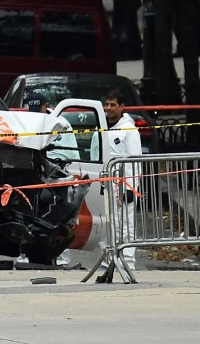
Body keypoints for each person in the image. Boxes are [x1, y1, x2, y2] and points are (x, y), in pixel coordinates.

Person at [90, 89, 142, 270]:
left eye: (113, 105)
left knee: (126, 224)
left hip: (123, 184)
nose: (109, 108)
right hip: (106, 183)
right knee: (108, 223)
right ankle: (110, 260)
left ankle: (128, 262)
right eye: (107, 104)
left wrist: (131, 187)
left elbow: (134, 161)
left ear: (122, 107)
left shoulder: (129, 129)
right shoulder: (103, 127)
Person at [25, 92, 78, 267]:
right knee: (31, 214)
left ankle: (63, 258)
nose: (35, 112)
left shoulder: (60, 123)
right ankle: (27, 253)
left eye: (38, 109)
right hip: (35, 177)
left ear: (45, 106)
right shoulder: (28, 121)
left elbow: (67, 152)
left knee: (61, 216)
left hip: (58, 175)